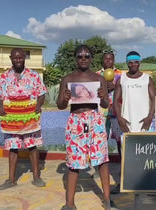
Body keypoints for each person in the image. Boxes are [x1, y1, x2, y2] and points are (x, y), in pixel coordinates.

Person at [57, 45, 111, 210]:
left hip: (94, 119)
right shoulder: (67, 79)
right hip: (76, 121)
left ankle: (107, 199)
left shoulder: (99, 79)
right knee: (74, 163)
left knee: (102, 160)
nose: (83, 59)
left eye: (87, 56)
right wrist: (65, 99)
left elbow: (106, 103)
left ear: (91, 58)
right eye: (80, 56)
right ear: (76, 58)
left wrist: (103, 97)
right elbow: (60, 105)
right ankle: (70, 203)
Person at [0, 47, 47, 190]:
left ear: (24, 58)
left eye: (21, 57)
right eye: (15, 58)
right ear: (11, 58)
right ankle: (11, 179)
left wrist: (38, 106)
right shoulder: (4, 77)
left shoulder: (34, 75)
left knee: (32, 146)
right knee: (13, 147)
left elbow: (42, 93)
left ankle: (36, 176)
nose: (18, 60)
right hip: (11, 118)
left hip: (29, 116)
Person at [112, 51, 156, 193]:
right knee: (126, 154)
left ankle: (146, 182)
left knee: (146, 153)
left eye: (135, 61)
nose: (133, 64)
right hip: (127, 122)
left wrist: (150, 117)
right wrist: (120, 119)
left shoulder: (147, 79)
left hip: (145, 122)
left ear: (139, 62)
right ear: (127, 63)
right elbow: (116, 101)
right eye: (130, 62)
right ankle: (125, 183)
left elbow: (153, 99)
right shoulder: (121, 79)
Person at [94, 50, 122, 193]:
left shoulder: (120, 75)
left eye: (110, 59)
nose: (108, 62)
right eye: (106, 59)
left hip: (117, 112)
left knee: (119, 142)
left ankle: (123, 169)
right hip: (102, 113)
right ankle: (100, 168)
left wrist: (116, 86)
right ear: (102, 61)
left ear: (113, 60)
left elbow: (125, 90)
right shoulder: (97, 75)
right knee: (101, 141)